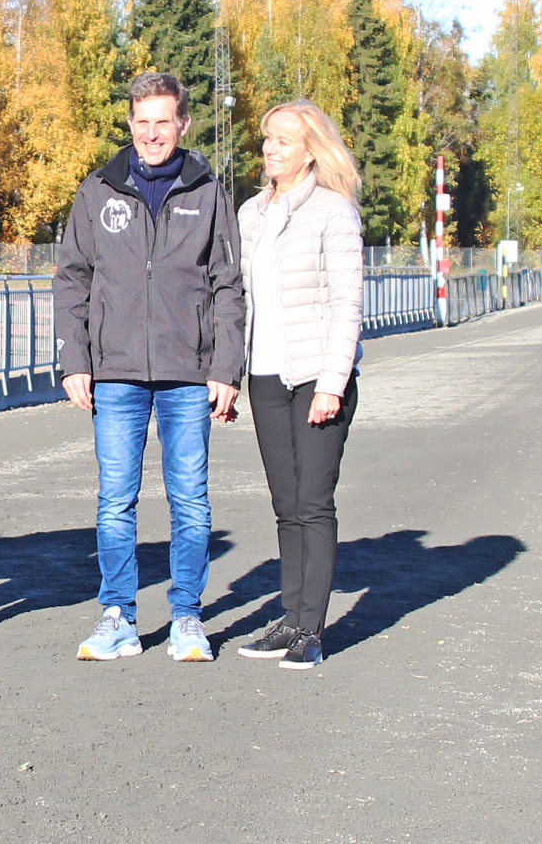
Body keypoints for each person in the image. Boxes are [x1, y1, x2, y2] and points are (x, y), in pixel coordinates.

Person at [53, 72, 246, 663]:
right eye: (143, 122)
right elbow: (72, 280)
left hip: (189, 373)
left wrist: (227, 368)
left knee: (190, 499)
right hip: (114, 373)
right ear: (130, 125)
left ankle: (187, 616)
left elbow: (229, 285)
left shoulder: (209, 190)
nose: (153, 133)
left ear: (183, 124)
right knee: (116, 499)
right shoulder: (98, 190)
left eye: (164, 121)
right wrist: (74, 359)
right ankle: (118, 616)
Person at [232, 101, 364, 671]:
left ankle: (311, 628)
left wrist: (332, 383)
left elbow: (346, 304)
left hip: (317, 378)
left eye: (283, 140)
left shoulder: (335, 213)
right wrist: (229, 377)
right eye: (267, 139)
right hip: (265, 377)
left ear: (311, 149)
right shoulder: (251, 213)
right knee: (285, 505)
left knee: (313, 503)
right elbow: (238, 300)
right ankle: (288, 619)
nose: (270, 149)